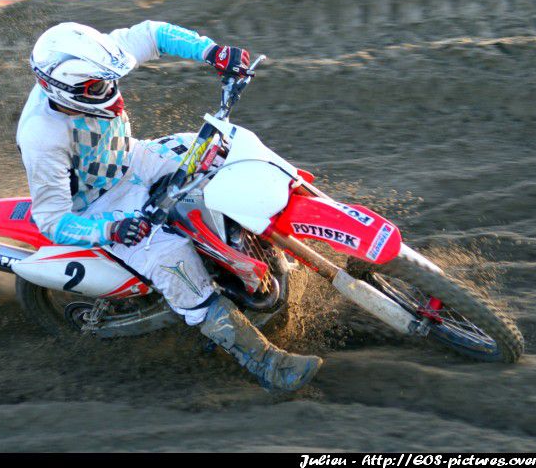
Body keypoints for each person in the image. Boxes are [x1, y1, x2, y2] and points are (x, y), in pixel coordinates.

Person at [16, 20, 322, 391]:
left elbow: (153, 33)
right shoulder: (41, 136)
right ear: (63, 89)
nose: (111, 90)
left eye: (111, 80)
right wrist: (110, 229)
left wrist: (213, 52)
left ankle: (306, 217)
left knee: (229, 148)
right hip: (100, 204)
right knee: (173, 258)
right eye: (98, 86)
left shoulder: (99, 57)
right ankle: (266, 364)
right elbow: (50, 219)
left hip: (134, 159)